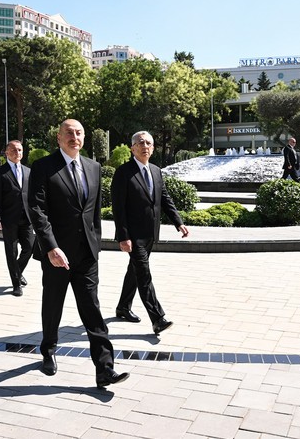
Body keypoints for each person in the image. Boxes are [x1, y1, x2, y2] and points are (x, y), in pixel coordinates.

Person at [27, 119, 129, 389]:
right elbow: (37, 210)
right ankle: (48, 349)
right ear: (59, 138)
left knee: (92, 311)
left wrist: (95, 244)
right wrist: (50, 246)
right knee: (53, 306)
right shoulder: (43, 167)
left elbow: (92, 212)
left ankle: (105, 369)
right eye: (69, 133)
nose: (75, 137)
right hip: (56, 255)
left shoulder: (94, 168)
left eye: (79, 133)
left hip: (85, 255)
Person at [111, 131, 189, 335]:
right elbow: (118, 208)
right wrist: (123, 236)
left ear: (153, 148)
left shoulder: (155, 170)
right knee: (144, 275)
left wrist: (178, 222)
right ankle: (158, 318)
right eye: (140, 143)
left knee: (135, 271)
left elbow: (164, 198)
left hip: (151, 234)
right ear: (132, 148)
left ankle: (122, 307)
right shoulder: (123, 172)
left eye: (149, 143)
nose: (145, 146)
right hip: (133, 236)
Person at [0, 140, 35, 297]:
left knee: (29, 248)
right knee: (12, 251)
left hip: (27, 218)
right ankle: (16, 284)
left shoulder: (28, 171)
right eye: (14, 150)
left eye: (20, 150)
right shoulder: (0, 172)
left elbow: (32, 196)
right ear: (7, 153)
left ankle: (17, 271)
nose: (18, 153)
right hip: (9, 219)